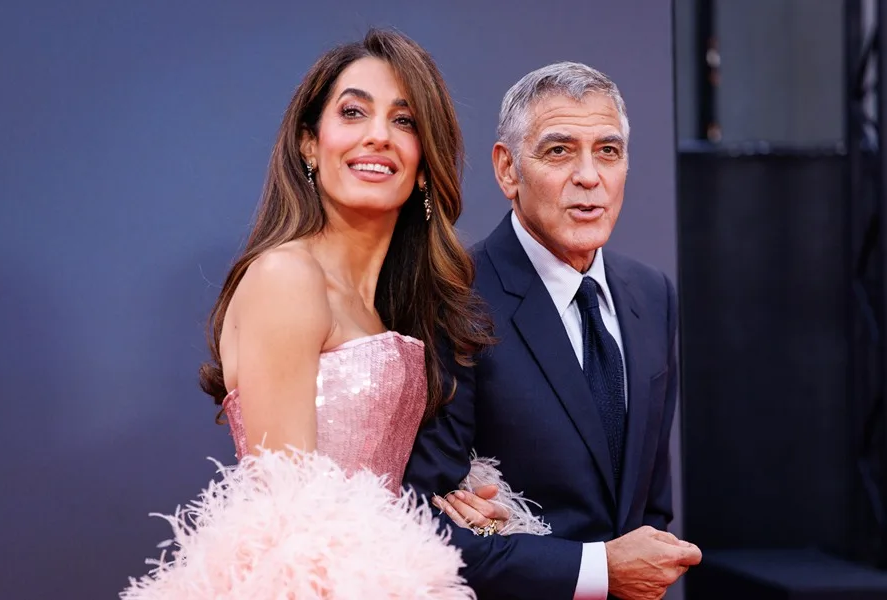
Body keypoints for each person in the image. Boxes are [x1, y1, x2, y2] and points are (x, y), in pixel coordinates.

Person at [121, 29, 545, 600]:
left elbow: (385, 491)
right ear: (309, 145)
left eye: (404, 121)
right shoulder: (286, 277)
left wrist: (462, 519)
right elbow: (289, 519)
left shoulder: (394, 306)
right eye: (353, 112)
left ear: (423, 164)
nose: (378, 136)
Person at [404, 62, 703, 600]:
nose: (589, 176)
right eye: (559, 151)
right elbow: (421, 526)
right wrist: (599, 569)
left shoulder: (652, 294)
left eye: (608, 151)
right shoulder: (451, 300)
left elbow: (649, 509)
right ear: (508, 170)